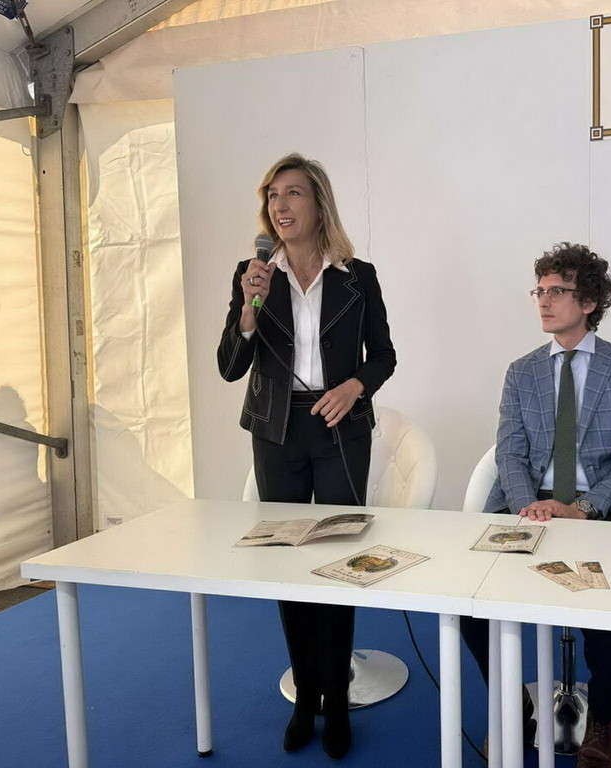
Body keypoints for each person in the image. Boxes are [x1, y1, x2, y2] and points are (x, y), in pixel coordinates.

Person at [217, 153, 396, 759]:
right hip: (277, 429)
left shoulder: (357, 277)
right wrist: (249, 308)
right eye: (272, 195)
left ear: (319, 204)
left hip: (340, 425)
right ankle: (306, 697)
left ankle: (338, 699)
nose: (280, 205)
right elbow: (230, 366)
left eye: (293, 193)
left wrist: (355, 386)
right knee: (288, 564)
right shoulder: (253, 275)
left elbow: (384, 355)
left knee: (338, 561)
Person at [460, 243, 611, 768]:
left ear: (588, 302)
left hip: (600, 512)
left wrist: (584, 508)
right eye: (539, 291)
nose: (544, 302)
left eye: (558, 291)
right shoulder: (521, 371)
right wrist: (530, 506)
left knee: (606, 617)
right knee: (471, 606)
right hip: (529, 508)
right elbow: (509, 451)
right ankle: (516, 705)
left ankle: (603, 718)